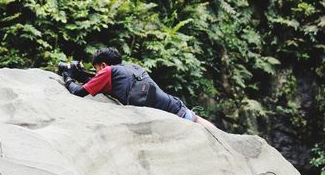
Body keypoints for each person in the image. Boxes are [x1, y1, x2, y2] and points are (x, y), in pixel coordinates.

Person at [62, 48, 216, 128]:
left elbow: (78, 92)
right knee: (197, 119)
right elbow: (101, 84)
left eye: (96, 69)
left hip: (170, 119)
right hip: (177, 107)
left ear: (103, 65)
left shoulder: (107, 71)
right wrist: (82, 76)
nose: (97, 73)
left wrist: (67, 76)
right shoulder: (134, 68)